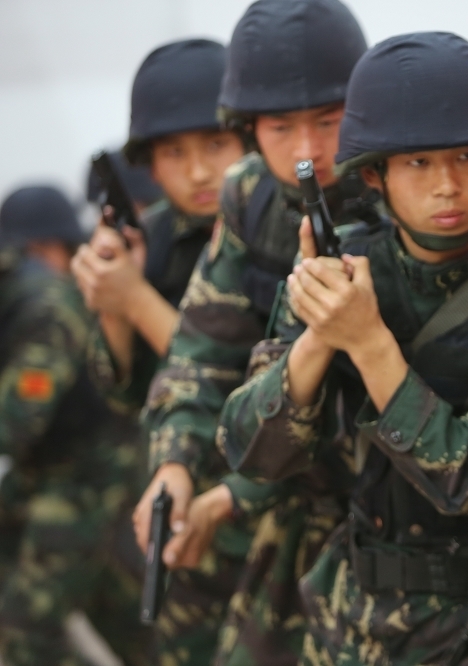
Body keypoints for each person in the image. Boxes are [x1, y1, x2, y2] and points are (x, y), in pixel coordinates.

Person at [217, 32, 468, 666]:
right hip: (352, 617)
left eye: (467, 156)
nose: (446, 185)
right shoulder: (343, 265)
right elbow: (249, 450)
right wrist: (319, 332)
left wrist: (368, 343)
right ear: (375, 173)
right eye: (419, 163)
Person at [133, 1, 376, 663]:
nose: (306, 152)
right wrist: (175, 464)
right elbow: (203, 345)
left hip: (387, 508)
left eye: (329, 121)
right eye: (279, 127)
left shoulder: (402, 195)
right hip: (284, 485)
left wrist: (233, 493)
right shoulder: (251, 195)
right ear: (246, 128)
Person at [70, 37, 248, 665]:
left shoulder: (268, 234)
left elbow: (242, 380)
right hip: (176, 505)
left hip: (263, 507)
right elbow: (121, 387)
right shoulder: (158, 236)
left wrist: (135, 297)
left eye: (215, 146)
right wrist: (113, 304)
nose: (198, 171)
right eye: (175, 152)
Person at [0, 185, 153, 666]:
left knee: (26, 631)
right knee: (124, 614)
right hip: (49, 471)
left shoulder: (49, 305)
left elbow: (17, 419)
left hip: (88, 475)